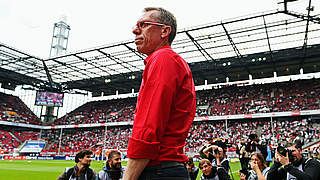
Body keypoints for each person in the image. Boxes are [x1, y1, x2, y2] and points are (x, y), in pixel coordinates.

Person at [123, 7, 196, 180]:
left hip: (158, 170)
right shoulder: (171, 60)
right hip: (167, 169)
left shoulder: (163, 58)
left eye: (143, 24)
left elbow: (149, 128)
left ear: (164, 31)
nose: (135, 30)